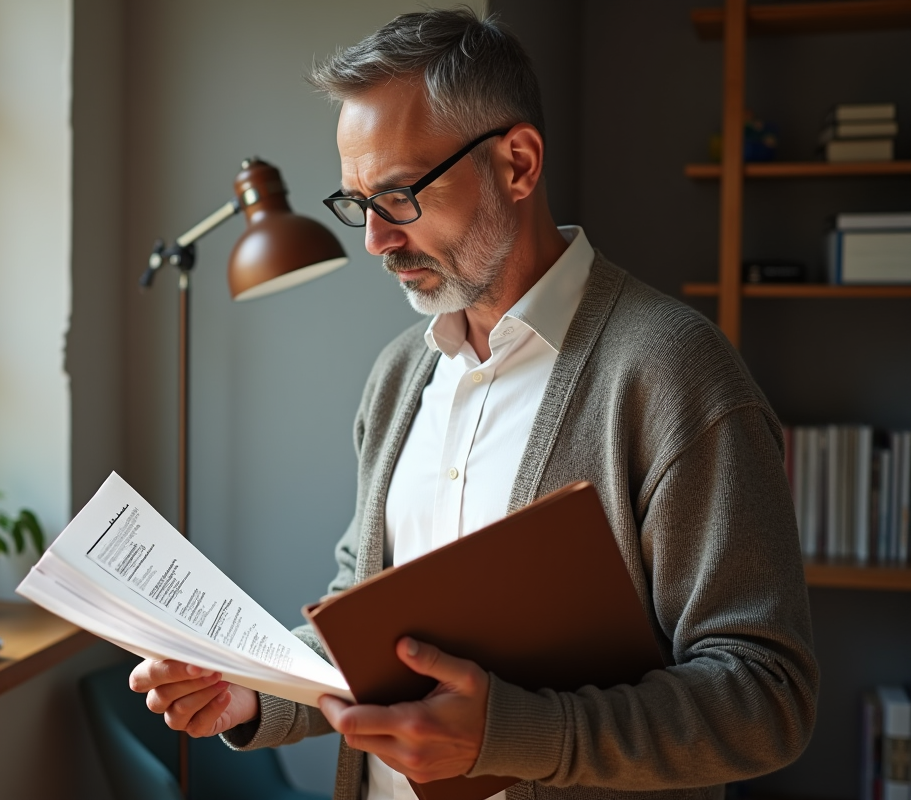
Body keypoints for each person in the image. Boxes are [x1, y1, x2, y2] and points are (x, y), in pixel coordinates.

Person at [129, 8, 818, 800]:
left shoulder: (671, 372)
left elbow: (768, 698)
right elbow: (365, 623)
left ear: (518, 164)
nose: (376, 243)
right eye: (358, 204)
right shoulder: (399, 377)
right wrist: (253, 691)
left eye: (399, 196)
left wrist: (515, 735)